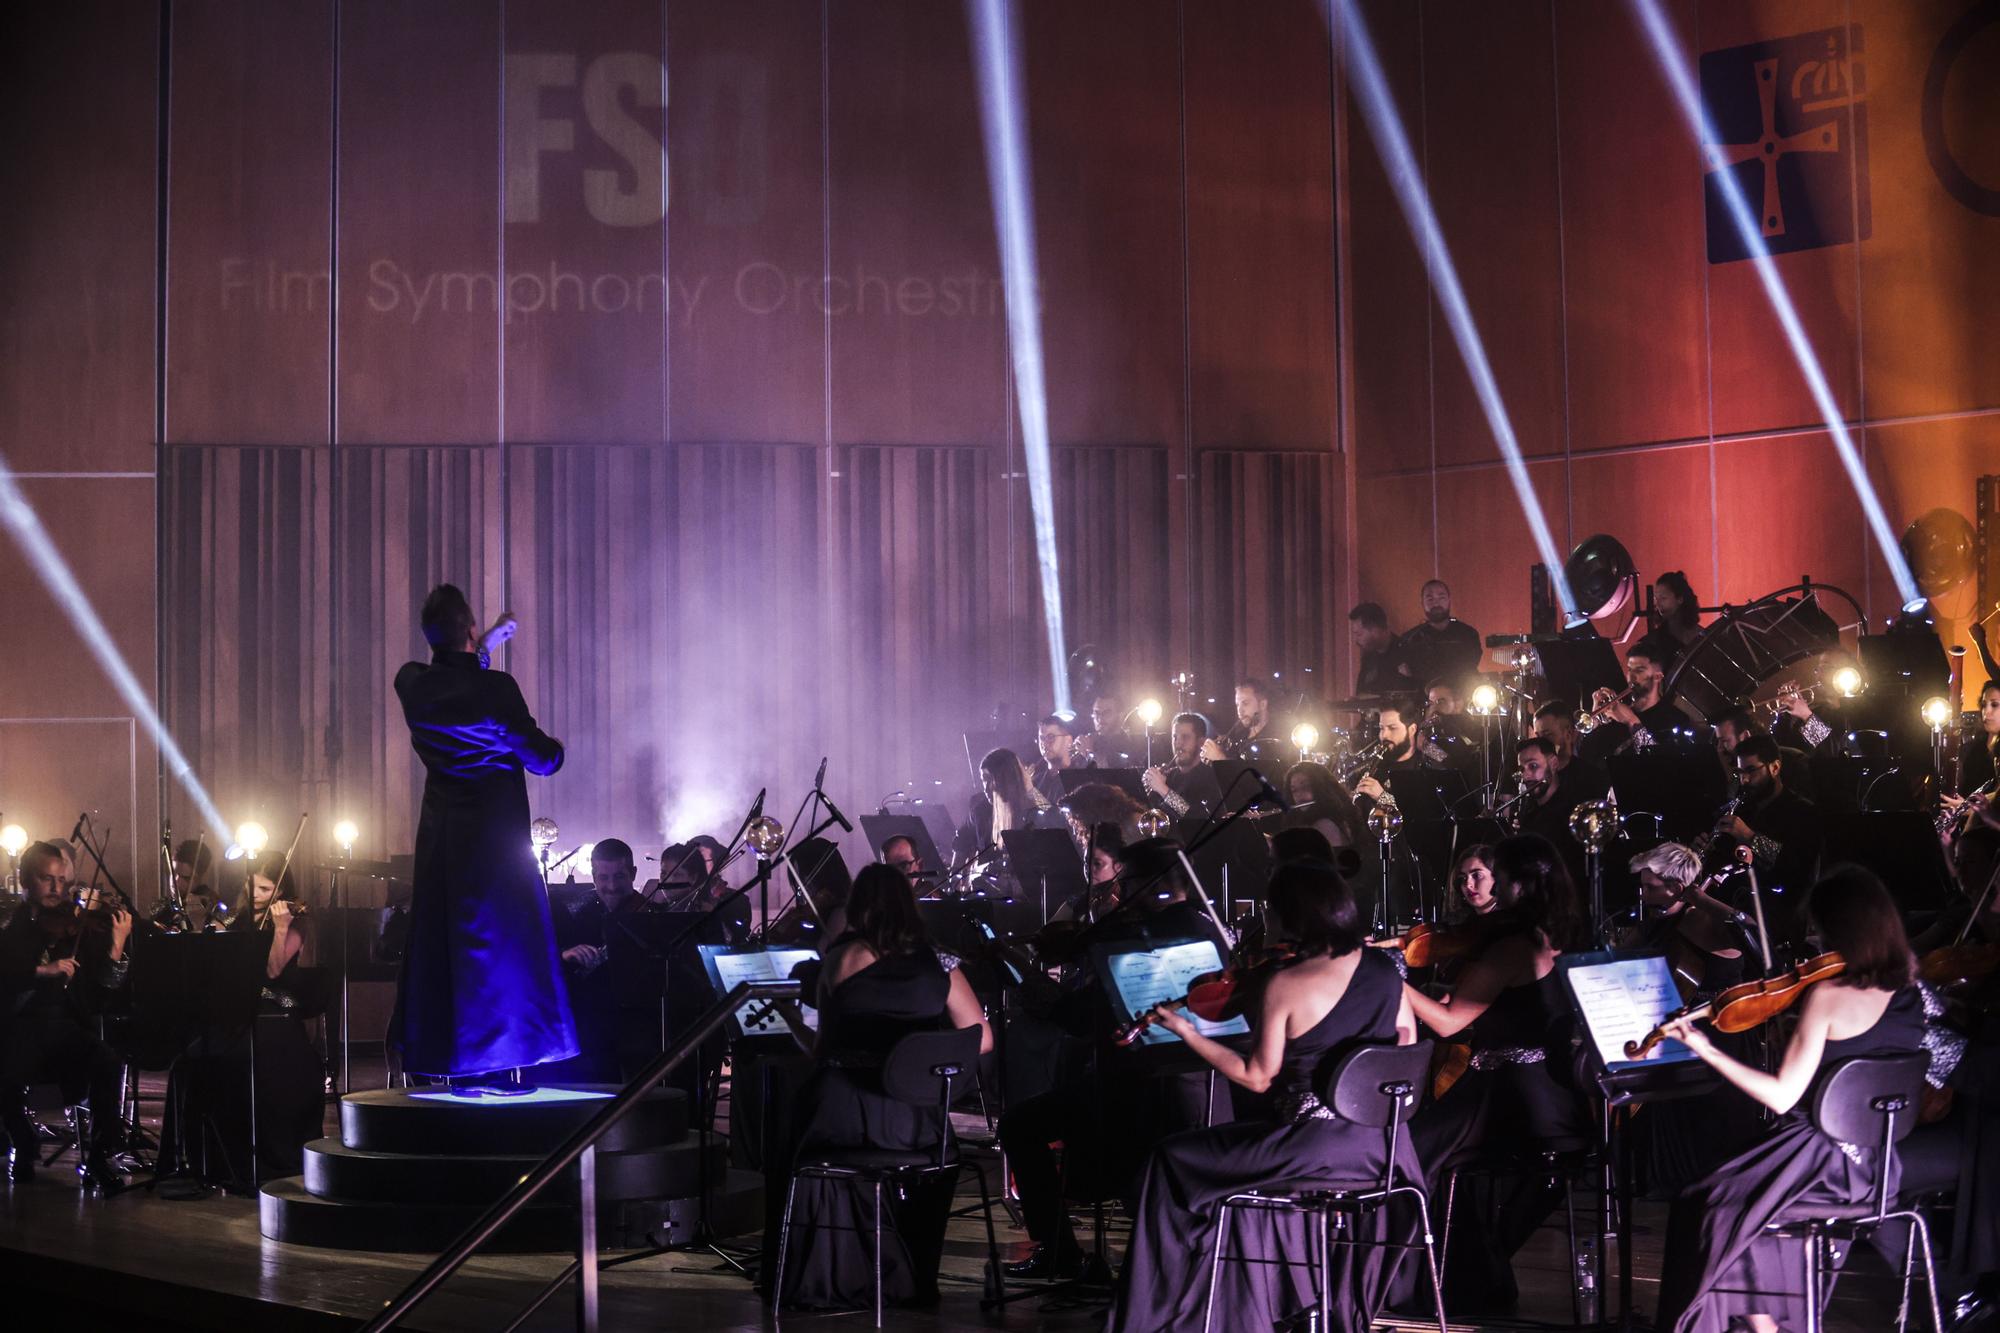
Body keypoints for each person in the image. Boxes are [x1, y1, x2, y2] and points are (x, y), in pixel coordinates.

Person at [1107, 859, 1420, 1333]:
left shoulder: (1287, 983)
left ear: (1292, 915)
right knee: (1238, 1155)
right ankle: (1258, 1296)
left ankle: (1158, 1311)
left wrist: (1187, 1032)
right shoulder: (1385, 968)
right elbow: (1404, 1042)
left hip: (1310, 1149)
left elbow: (1257, 1077)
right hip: (1384, 1147)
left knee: (1170, 1159)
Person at [1650, 866, 1927, 1333]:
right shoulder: (1911, 991)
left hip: (1819, 1159)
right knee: (1738, 1205)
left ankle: (1761, 1327)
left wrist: (1705, 1049)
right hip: (1877, 1165)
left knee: (1710, 1200)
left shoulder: (1828, 995)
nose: (1815, 942)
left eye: (1820, 929)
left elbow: (1782, 1097)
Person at [998, 839, 1229, 1280]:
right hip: (1198, 1089)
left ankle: (1061, 1250)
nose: (1120, 895)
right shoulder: (1207, 930)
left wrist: (1040, 993)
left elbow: (1083, 1018)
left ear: (1152, 885)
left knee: (1019, 1125)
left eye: (1128, 883)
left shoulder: (1137, 939)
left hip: (1135, 1092)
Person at [772, 864, 992, 1310]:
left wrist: (788, 1017)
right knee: (938, 1162)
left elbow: (821, 1051)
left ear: (856, 908)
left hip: (840, 1119)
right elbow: (981, 1038)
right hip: (915, 1124)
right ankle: (915, 1277)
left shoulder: (840, 958)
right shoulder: (940, 962)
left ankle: (828, 1272)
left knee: (789, 1136)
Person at [391, 584, 576, 1086]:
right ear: (469, 629)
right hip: (495, 843)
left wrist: (483, 643)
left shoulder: (411, 684)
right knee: (505, 955)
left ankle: (454, 1067)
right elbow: (543, 759)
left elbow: (446, 678)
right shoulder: (497, 690)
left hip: (445, 843)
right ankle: (504, 1065)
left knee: (450, 953)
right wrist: (557, 745)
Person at [1403, 834, 1591, 1314]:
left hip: (1508, 1099)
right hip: (1557, 1095)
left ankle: (1439, 1282)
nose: (1493, 887)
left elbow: (1447, 1022)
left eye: (1499, 878)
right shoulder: (1556, 934)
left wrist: (1393, 983)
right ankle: (1471, 1279)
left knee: (1409, 1156)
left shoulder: (1511, 946)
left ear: (1520, 883)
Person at [0, 840, 134, 1185]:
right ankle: (22, 1138)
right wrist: (42, 971)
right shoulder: (10, 926)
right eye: (47, 879)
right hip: (17, 1028)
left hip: (64, 1030)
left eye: (62, 881)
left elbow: (103, 993)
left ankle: (101, 1155)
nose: (57, 889)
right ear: (27, 880)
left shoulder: (76, 926)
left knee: (107, 1061)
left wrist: (117, 946)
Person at [218, 854, 327, 1176]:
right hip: (237, 1010)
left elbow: (273, 969)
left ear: (279, 892)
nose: (254, 894)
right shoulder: (239, 920)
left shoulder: (297, 922)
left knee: (268, 1052)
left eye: (264, 888)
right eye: (251, 884)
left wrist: (280, 929)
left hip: (277, 1012)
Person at [1717, 734, 1823, 951]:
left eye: (1751, 771)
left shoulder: (1803, 812)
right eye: (1740, 772)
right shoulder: (1743, 808)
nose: (1744, 780)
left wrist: (1749, 837)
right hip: (1736, 902)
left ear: (1775, 767)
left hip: (1778, 910)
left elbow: (1795, 867)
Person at [1397, 580, 1483, 690]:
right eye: (1430, 599)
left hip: (1462, 695)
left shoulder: (1467, 634)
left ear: (1449, 600)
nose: (1436, 604)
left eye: (1441, 598)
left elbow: (1469, 668)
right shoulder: (1410, 640)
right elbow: (1406, 677)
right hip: (1424, 700)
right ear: (1422, 603)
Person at [1142, 712, 1224, 821]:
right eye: (1175, 737)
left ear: (1201, 742)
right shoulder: (1169, 776)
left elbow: (1197, 817)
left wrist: (1162, 789)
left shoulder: (1211, 777)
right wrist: (1148, 789)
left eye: (1185, 737)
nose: (1178, 743)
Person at [968, 746, 1050, 850]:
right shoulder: (983, 812)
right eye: (984, 779)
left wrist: (1030, 789)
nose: (986, 787)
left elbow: (1053, 818)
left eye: (991, 779)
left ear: (1006, 778)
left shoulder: (1032, 809)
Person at [1283, 761, 1367, 851]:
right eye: (1294, 790)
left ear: (1321, 787)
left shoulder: (1325, 824)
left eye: (1305, 786)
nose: (1299, 795)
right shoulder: (1332, 818)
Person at [1349, 602, 1404, 697]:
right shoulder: (1368, 658)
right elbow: (1361, 693)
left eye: (1359, 634)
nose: (1356, 641)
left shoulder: (1405, 653)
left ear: (1375, 630)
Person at [1649, 571, 1703, 660]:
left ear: (1680, 599)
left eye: (1663, 598)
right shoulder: (1657, 640)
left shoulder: (1699, 634)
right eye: (1656, 599)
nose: (1658, 604)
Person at [1032, 713, 1079, 806]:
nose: (1045, 744)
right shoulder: (1035, 781)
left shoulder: (1078, 779)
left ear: (1068, 741)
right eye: (1041, 738)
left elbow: (1051, 814)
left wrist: (1030, 792)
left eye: (1050, 737)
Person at [1446, 844, 1498, 921]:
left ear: (1496, 877)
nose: (1468, 885)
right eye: (1463, 878)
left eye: (1477, 875)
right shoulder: (1460, 923)